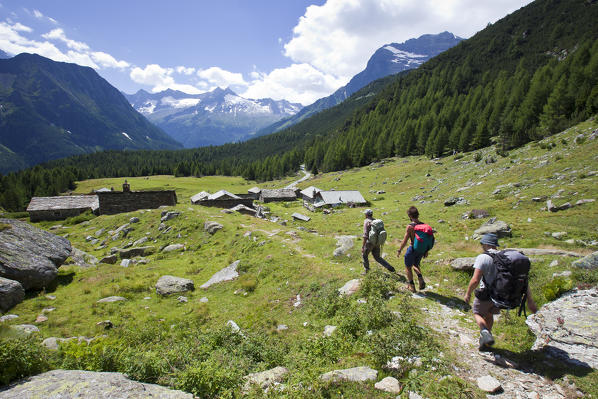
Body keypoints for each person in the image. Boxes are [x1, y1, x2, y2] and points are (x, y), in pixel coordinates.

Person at [463, 233, 538, 351]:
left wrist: (468, 293)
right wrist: (530, 300)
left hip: (486, 293)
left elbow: (475, 279)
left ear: (486, 244)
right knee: (489, 314)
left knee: (477, 312)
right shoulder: (504, 258)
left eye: (482, 244)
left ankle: (485, 333)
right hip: (501, 295)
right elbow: (524, 281)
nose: (482, 246)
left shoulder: (483, 257)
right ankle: (486, 342)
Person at [396, 206, 427, 292]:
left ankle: (412, 286)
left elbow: (405, 240)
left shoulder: (410, 227)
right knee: (416, 265)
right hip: (421, 249)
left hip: (412, 248)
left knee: (408, 267)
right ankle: (420, 278)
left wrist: (399, 250)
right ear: (417, 215)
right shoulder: (423, 225)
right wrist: (426, 251)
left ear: (410, 216)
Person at [361, 209, 396, 275]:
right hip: (377, 242)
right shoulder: (375, 220)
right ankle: (390, 268)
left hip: (370, 243)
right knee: (377, 257)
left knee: (364, 255)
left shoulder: (366, 221)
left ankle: (367, 270)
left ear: (366, 215)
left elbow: (365, 235)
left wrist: (363, 246)